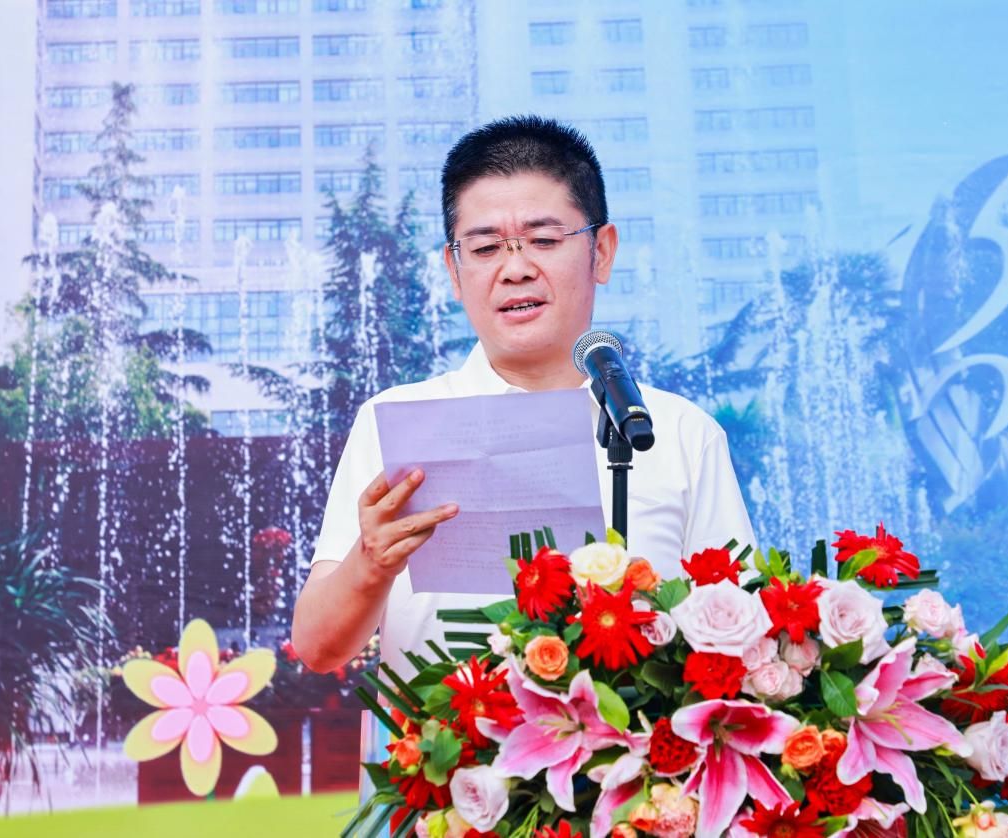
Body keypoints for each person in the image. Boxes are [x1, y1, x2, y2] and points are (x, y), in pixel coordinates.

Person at [292, 115, 754, 676]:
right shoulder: (396, 423)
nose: (515, 269)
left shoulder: (677, 432)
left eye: (544, 241)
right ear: (454, 269)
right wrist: (372, 563)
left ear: (602, 251)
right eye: (486, 247)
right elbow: (318, 648)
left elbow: (743, 640)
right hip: (443, 735)